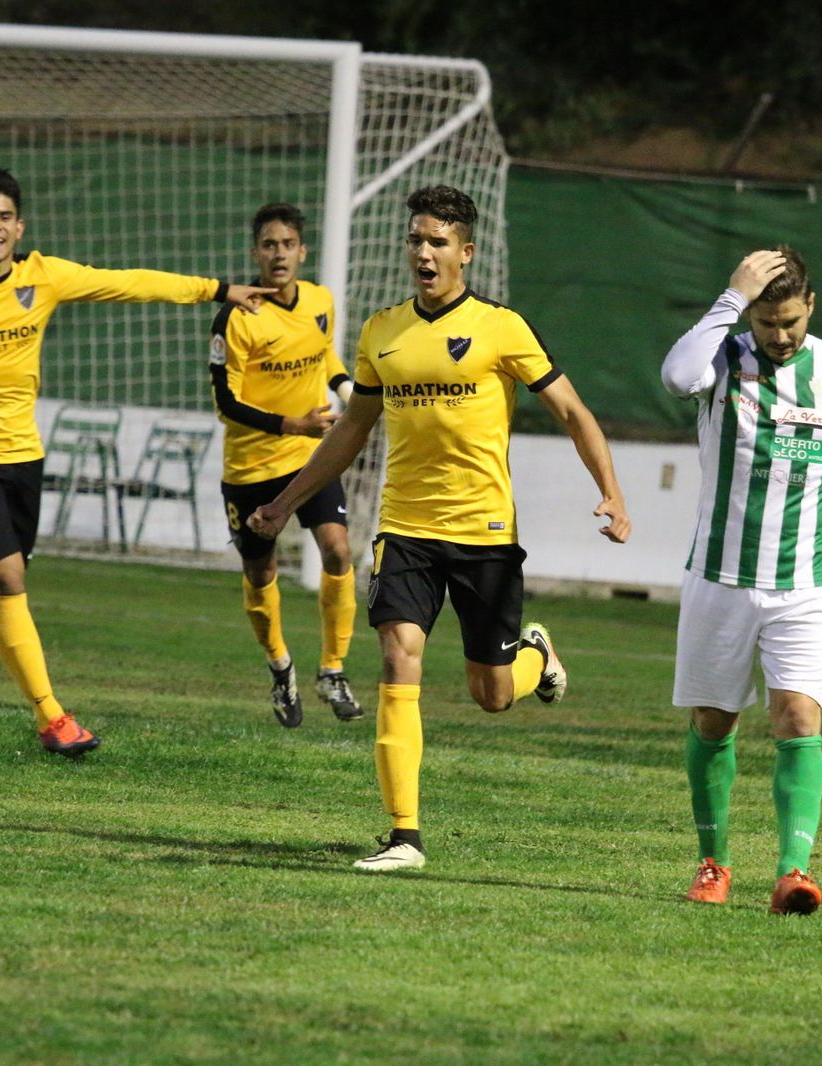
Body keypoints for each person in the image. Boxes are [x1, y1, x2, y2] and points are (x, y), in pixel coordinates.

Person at [250, 185, 631, 872]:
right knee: (399, 657)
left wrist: (612, 494)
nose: (422, 254)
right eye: (415, 241)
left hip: (484, 532)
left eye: (436, 242)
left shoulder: (503, 328)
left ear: (465, 252)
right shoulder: (382, 331)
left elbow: (572, 413)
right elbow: (353, 433)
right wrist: (285, 499)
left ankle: (535, 656)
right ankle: (405, 836)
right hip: (405, 528)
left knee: (491, 695)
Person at [0, 166, 272, 757]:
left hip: (23, 453)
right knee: (6, 578)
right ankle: (52, 718)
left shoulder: (44, 276)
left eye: (2, 217)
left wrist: (219, 289)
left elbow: (129, 282)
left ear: (19, 226)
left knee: (0, 566)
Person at [659, 246, 822, 914]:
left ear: (812, 308)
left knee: (798, 717)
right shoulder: (722, 356)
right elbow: (676, 377)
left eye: (791, 322)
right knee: (713, 724)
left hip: (805, 583)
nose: (778, 336)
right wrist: (730, 297)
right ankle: (714, 864)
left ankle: (793, 872)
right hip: (722, 577)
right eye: (767, 322)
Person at [209, 202, 360, 728]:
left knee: (338, 550)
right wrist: (291, 424)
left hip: (308, 459)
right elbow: (226, 404)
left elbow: (326, 358)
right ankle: (280, 667)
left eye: (287, 244)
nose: (279, 254)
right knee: (260, 570)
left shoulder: (320, 300)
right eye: (269, 245)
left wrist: (350, 395)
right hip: (251, 467)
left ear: (302, 250)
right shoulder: (236, 316)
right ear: (256, 253)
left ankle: (333, 669)